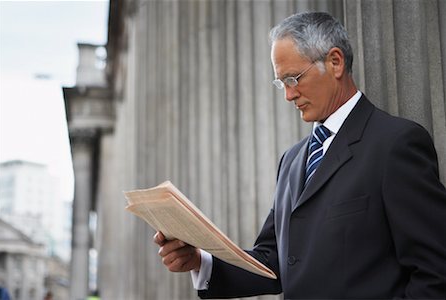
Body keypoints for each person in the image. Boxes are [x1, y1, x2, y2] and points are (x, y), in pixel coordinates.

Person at [154, 12, 446, 299]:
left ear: (335, 62)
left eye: (293, 78)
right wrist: (200, 261)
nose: (288, 95)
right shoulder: (291, 161)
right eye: (281, 83)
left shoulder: (395, 144)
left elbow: (435, 270)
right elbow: (275, 261)